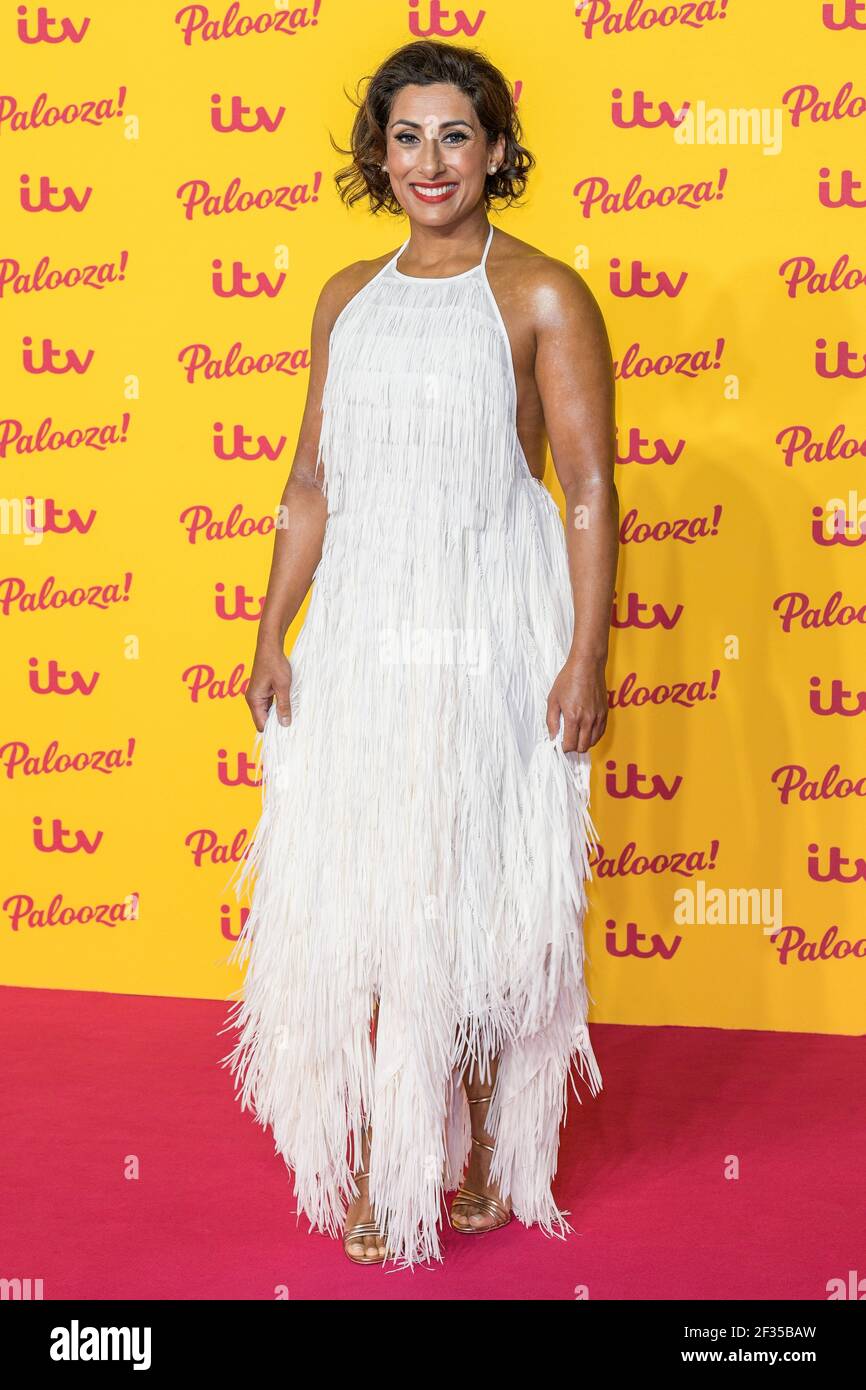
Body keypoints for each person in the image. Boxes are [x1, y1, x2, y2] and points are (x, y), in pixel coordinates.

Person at [220, 37, 618, 1270]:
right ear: (377, 155)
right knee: (373, 891)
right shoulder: (344, 295)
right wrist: (270, 628)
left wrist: (584, 655)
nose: (430, 161)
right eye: (406, 137)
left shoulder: (543, 293)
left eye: (455, 135)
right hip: (362, 644)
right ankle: (398, 1153)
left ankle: (492, 1136)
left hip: (490, 636)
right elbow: (307, 482)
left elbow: (591, 491)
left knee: (483, 893)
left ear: (496, 150)